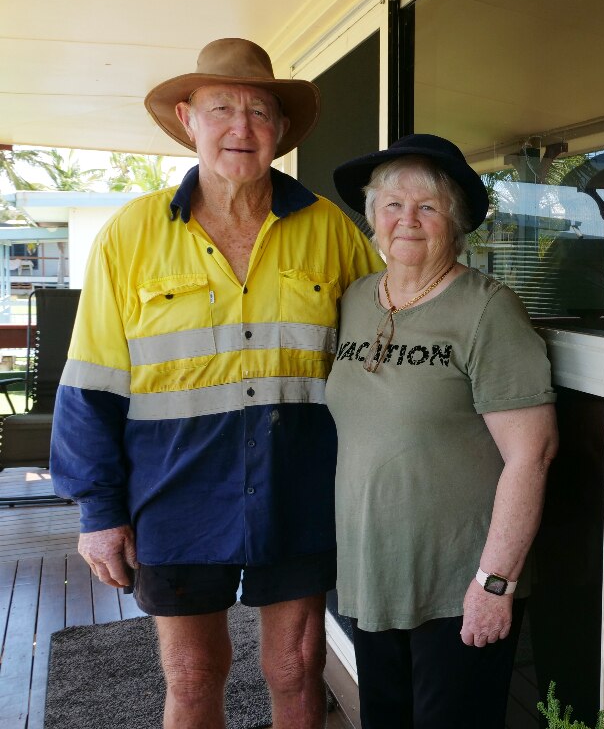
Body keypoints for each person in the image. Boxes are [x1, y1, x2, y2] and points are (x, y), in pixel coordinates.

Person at [50, 37, 383, 728]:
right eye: (222, 107)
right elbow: (91, 384)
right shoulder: (130, 233)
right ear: (187, 118)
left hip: (299, 484)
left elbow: (377, 362)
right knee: (195, 675)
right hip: (172, 491)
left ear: (281, 130)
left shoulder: (332, 231)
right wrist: (99, 511)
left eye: (260, 112)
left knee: (296, 668)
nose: (242, 128)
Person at [327, 134, 558, 728]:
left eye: (427, 206)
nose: (407, 220)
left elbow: (531, 455)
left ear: (453, 222)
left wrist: (494, 583)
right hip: (371, 576)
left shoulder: (487, 309)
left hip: (459, 584)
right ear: (372, 218)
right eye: (392, 205)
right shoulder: (355, 300)